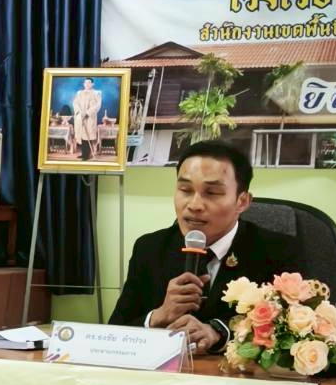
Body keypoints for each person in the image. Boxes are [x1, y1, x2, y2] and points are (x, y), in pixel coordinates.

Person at [110, 139, 304, 354]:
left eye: (212, 193)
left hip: (236, 373)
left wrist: (219, 332)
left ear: (242, 201)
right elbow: (113, 334)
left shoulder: (279, 251)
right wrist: (158, 316)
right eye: (185, 189)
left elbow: (298, 332)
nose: (194, 205)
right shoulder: (150, 248)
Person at [72, 78, 102, 160]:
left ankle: (87, 155)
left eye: (89, 83)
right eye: (85, 83)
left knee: (87, 135)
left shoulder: (96, 93)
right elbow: (75, 103)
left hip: (89, 118)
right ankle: (83, 153)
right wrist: (79, 112)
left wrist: (87, 113)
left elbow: (97, 105)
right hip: (80, 117)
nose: (87, 84)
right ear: (83, 84)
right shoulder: (79, 93)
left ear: (92, 84)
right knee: (81, 135)